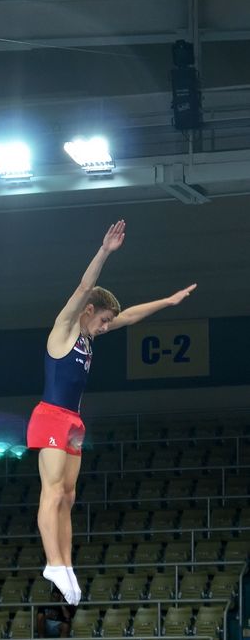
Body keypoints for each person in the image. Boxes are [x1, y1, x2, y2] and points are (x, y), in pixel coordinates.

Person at [26, 220, 196, 604]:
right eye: (103, 320)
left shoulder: (89, 336)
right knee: (52, 491)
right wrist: (104, 251)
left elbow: (130, 315)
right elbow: (84, 287)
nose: (105, 328)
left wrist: (168, 302)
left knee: (69, 495)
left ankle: (66, 564)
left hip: (74, 423)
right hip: (51, 416)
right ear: (88, 310)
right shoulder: (66, 328)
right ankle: (53, 563)